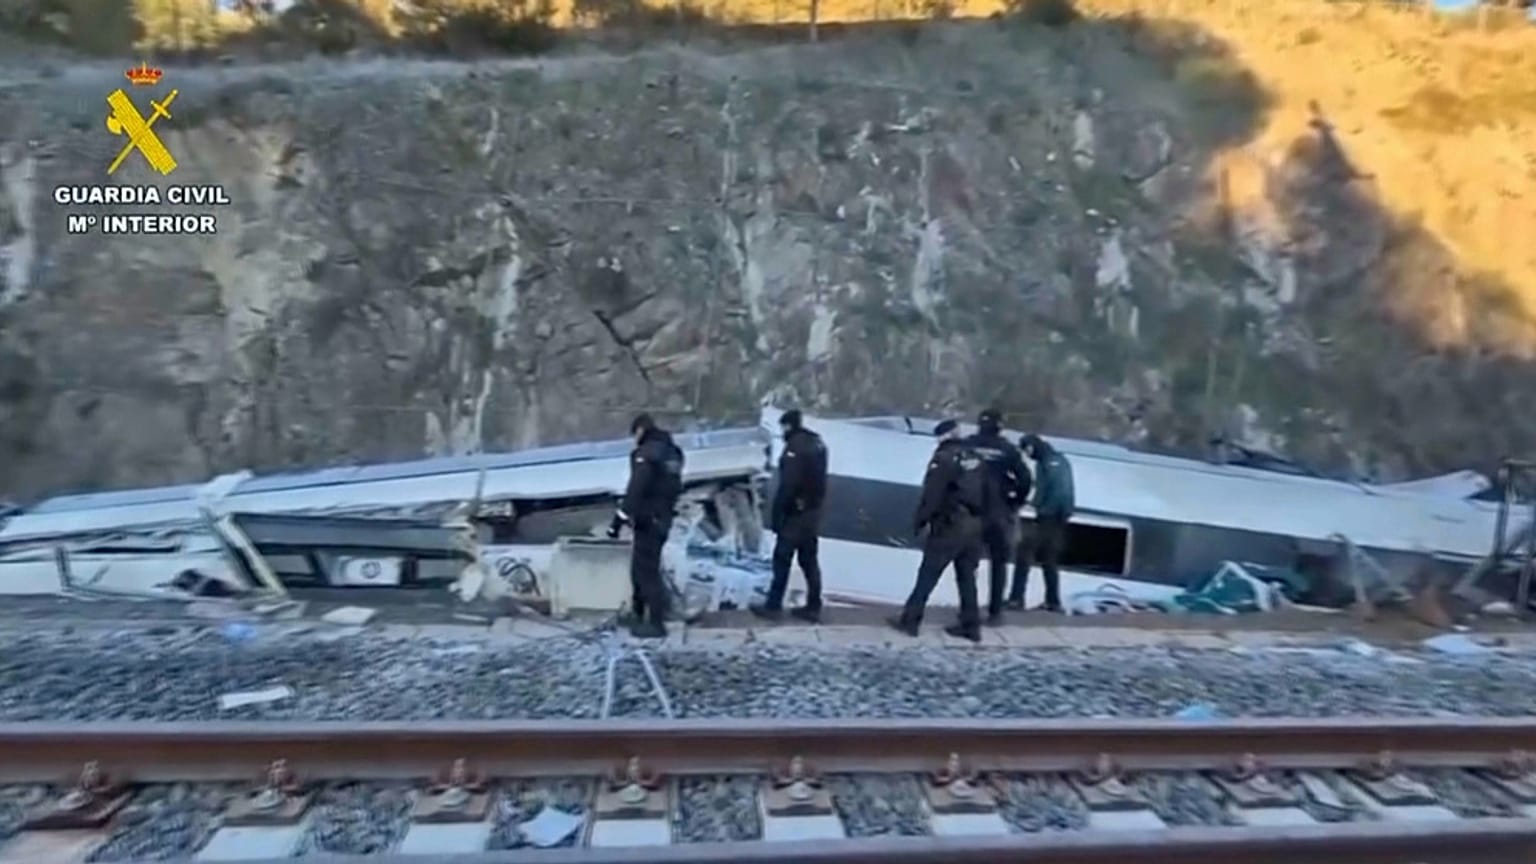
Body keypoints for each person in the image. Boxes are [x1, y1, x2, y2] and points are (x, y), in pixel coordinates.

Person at [889, 419, 988, 643]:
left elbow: (932, 495)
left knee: (928, 574)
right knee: (966, 577)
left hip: (951, 525)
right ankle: (971, 626)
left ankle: (910, 621)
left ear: (941, 437)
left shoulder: (943, 459)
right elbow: (988, 490)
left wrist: (920, 521)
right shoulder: (975, 457)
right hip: (975, 525)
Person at [607, 413, 685, 638]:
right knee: (640, 568)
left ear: (640, 431)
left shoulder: (646, 454)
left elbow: (636, 489)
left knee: (647, 572)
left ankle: (656, 623)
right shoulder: (673, 454)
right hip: (662, 519)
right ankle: (638, 613)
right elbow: (673, 488)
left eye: (634, 434)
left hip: (648, 520)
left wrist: (618, 520)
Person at [752, 409, 829, 623]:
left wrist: (777, 516)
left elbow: (788, 485)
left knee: (782, 560)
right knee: (809, 561)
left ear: (788, 426)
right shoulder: (818, 444)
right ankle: (814, 606)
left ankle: (773, 605)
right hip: (813, 514)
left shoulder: (795, 449)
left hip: (795, 516)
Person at [963, 408, 1032, 625]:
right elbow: (1026, 479)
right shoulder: (1008, 450)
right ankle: (994, 612)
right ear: (1000, 426)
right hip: (998, 514)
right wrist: (1015, 502)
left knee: (967, 564)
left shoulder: (968, 445)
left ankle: (968, 611)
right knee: (999, 564)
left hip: (969, 513)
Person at [1007, 433, 1075, 613]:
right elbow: (1066, 492)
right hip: (1060, 519)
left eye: (1026, 450)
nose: (1027, 455)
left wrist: (1035, 505)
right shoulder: (1062, 459)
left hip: (1046, 518)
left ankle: (1016, 599)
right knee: (1049, 560)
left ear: (1031, 447)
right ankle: (1053, 601)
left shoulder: (1044, 463)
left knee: (1024, 555)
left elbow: (1046, 490)